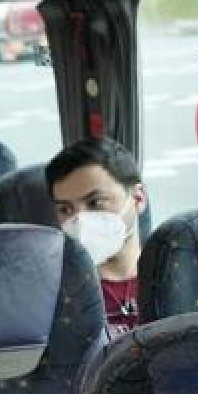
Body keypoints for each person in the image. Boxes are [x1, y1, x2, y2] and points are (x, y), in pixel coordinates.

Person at [47, 137, 148, 338]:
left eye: (95, 202)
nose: (79, 220)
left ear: (138, 199)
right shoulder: (55, 294)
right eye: (65, 209)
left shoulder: (175, 275)